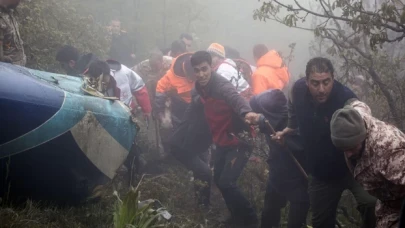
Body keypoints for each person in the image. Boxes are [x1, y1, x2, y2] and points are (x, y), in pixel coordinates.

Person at [273, 57, 377, 228]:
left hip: (353, 168)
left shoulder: (345, 97)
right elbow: (292, 106)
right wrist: (290, 128)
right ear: (306, 81)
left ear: (333, 78)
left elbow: (361, 111)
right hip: (320, 173)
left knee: (371, 204)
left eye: (326, 82)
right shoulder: (298, 90)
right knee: (320, 222)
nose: (321, 89)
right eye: (315, 83)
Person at [190, 51, 260, 227]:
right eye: (197, 71)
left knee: (227, 182)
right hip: (222, 140)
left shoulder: (220, 85)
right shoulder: (199, 87)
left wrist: (247, 112)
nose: (201, 74)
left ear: (211, 67)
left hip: (239, 141)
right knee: (219, 180)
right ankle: (236, 216)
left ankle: (251, 220)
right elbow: (197, 99)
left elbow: (234, 98)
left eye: (204, 69)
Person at [330, 99, 405, 228]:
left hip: (400, 203)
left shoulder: (389, 153)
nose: (348, 154)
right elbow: (357, 104)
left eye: (352, 147)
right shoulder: (356, 117)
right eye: (344, 149)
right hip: (387, 202)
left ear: (362, 136)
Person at [250, 89, 309, 228]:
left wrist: (286, 142)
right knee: (269, 214)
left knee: (296, 222)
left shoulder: (294, 123)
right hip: (277, 175)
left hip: (299, 178)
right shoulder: (270, 117)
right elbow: (253, 104)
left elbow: (302, 146)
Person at [0, 0, 25, 66]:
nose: (19, 3)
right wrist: (1, 58)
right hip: (8, 70)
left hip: (19, 66)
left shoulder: (9, 11)